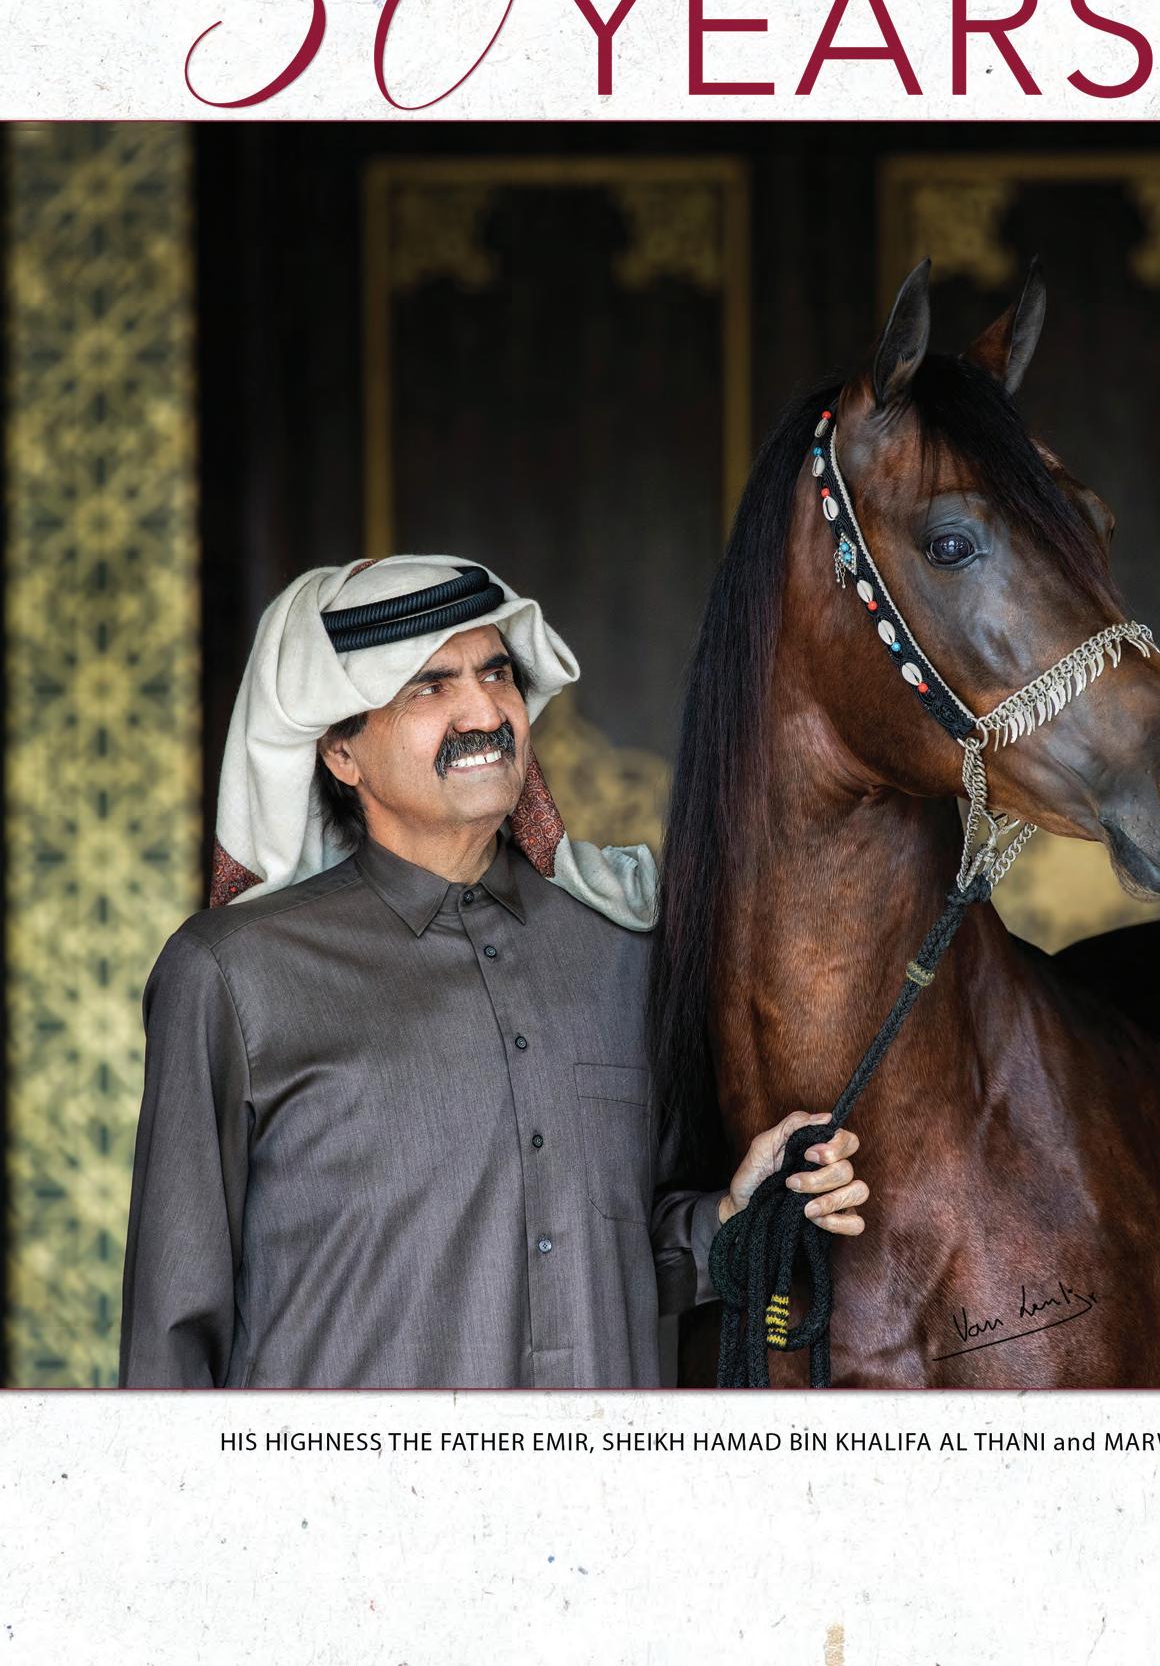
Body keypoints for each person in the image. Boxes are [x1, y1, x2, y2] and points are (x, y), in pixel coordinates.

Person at [119, 554, 867, 1387]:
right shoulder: (233, 974)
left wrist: (735, 1215)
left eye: (497, 673)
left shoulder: (622, 946)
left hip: (589, 1472)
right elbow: (170, 1338)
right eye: (429, 686)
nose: (484, 710)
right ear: (340, 750)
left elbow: (626, 1249)